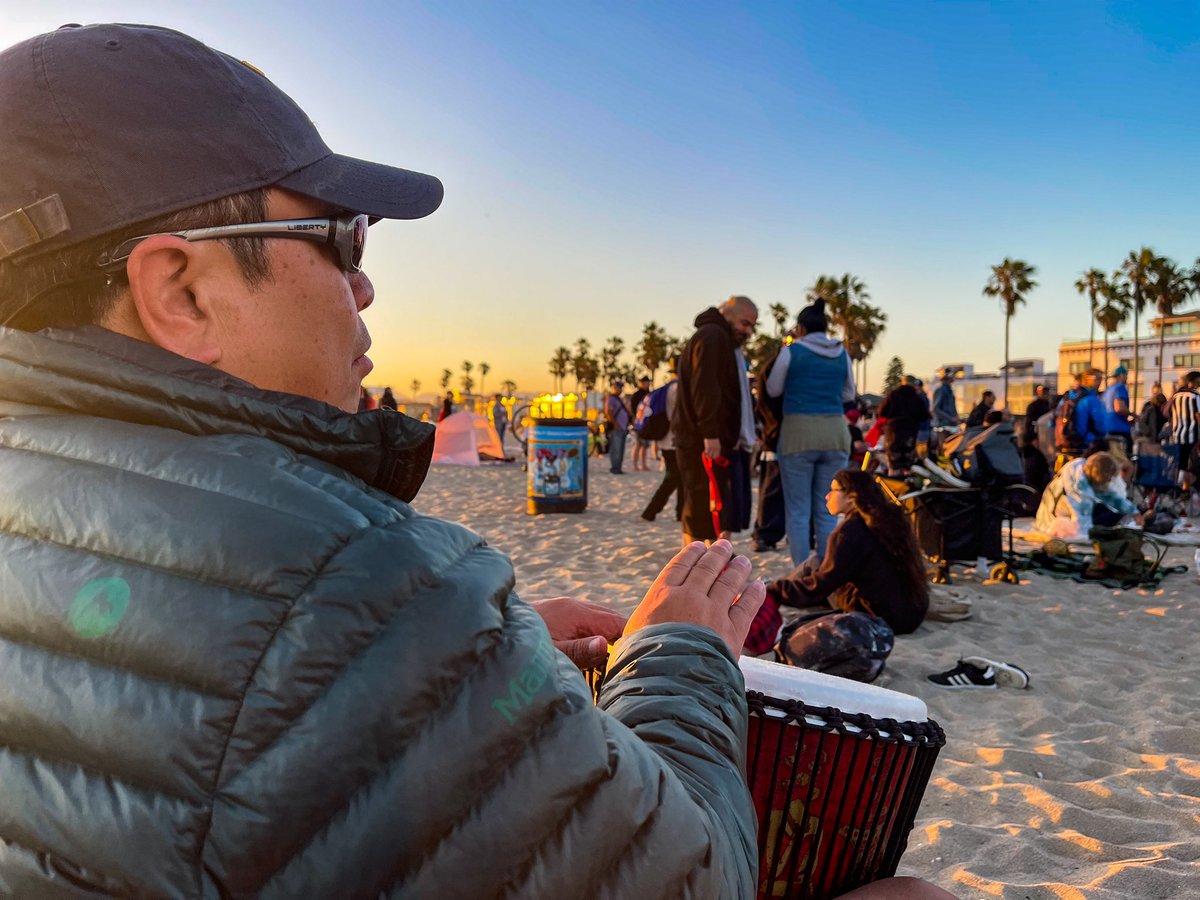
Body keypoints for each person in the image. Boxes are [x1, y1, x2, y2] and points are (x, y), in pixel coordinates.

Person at [0, 23, 770, 896]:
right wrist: (679, 655)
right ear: (181, 292)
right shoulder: (358, 580)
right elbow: (695, 880)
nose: (363, 286)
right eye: (344, 239)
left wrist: (477, 674)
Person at [765, 469, 930, 636]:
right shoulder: (891, 517)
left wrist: (775, 589)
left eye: (833, 490)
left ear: (852, 497)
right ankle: (769, 595)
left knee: (811, 566)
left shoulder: (849, 532)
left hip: (880, 617)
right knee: (816, 564)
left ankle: (765, 602)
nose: (827, 496)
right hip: (914, 612)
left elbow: (820, 586)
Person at [765, 298, 856, 564]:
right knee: (827, 510)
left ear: (801, 328)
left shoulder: (792, 350)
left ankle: (802, 574)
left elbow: (773, 389)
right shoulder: (842, 353)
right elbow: (849, 393)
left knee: (798, 510)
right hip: (835, 433)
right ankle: (826, 570)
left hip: (798, 434)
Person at [675, 295, 758, 544]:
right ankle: (693, 568)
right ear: (728, 314)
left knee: (714, 506)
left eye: (752, 326)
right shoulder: (712, 336)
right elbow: (705, 388)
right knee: (701, 505)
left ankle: (706, 565)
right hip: (702, 441)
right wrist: (710, 434)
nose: (749, 331)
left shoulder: (722, 340)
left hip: (712, 439)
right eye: (745, 324)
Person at [1035, 451, 1139, 540]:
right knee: (1105, 519)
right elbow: (1083, 531)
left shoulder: (1083, 467)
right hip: (1054, 519)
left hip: (1061, 510)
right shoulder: (1079, 492)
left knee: (1108, 513)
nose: (1109, 482)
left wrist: (1134, 511)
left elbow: (1109, 495)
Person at [640, 365, 681, 522]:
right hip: (675, 440)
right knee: (673, 478)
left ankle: (680, 512)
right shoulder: (678, 390)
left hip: (664, 439)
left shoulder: (664, 389)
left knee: (677, 477)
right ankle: (651, 511)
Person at [878, 375, 931, 476]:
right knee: (907, 462)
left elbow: (882, 412)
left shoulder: (893, 395)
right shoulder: (917, 398)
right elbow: (924, 416)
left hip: (893, 432)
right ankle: (906, 484)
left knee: (894, 462)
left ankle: (894, 485)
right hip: (910, 432)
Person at [1055, 368, 1106, 469]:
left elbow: (1055, 417)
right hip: (1085, 445)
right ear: (1087, 380)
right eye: (1097, 378)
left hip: (1064, 444)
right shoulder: (1091, 399)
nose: (1100, 382)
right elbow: (1101, 425)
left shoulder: (1068, 397)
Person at [1166, 370, 1200, 486]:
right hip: (1192, 435)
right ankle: (1185, 487)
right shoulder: (1195, 396)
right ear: (1195, 381)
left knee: (1181, 461)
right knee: (1193, 462)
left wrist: (1175, 420)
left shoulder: (1176, 395)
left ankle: (1179, 486)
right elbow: (1198, 415)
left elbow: (1166, 411)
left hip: (1177, 434)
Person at [603, 378, 632, 474]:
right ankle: (615, 468)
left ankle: (618, 468)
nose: (619, 389)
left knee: (620, 449)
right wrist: (615, 424)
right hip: (616, 428)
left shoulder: (619, 399)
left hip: (623, 427)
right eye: (618, 387)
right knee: (616, 449)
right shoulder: (611, 398)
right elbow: (608, 412)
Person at [1101, 365, 1132, 455]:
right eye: (1126, 375)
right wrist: (1133, 415)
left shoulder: (1107, 390)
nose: (1126, 378)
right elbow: (1119, 408)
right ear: (1121, 375)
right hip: (1120, 429)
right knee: (1126, 457)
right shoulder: (1120, 387)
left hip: (1106, 429)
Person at [629, 374, 652, 471]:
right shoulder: (636, 395)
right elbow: (632, 409)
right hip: (638, 423)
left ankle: (643, 464)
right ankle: (635, 465)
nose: (647, 384)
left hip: (646, 423)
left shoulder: (649, 394)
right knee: (638, 444)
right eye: (645, 382)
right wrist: (635, 420)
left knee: (645, 445)